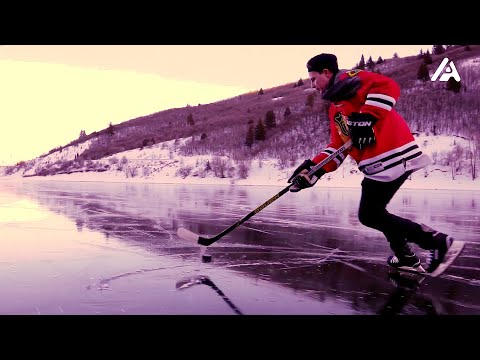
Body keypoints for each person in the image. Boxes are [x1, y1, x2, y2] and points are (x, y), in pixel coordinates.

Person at [287, 53, 461, 275]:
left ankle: (437, 242)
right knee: (375, 213)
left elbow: (388, 86)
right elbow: (338, 146)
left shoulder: (350, 79)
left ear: (326, 73)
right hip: (378, 164)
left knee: (370, 215)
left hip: (392, 155)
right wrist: (312, 170)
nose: (312, 85)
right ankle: (405, 256)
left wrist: (367, 116)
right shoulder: (335, 108)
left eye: (313, 78)